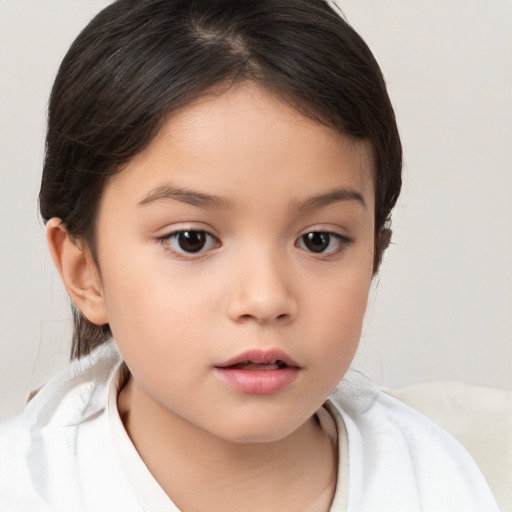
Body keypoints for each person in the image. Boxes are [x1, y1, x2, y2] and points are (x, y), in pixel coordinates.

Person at [0, 0, 500, 510]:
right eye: (191, 239)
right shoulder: (23, 488)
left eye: (319, 240)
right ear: (85, 273)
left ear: (374, 254)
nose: (265, 299)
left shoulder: (445, 484)